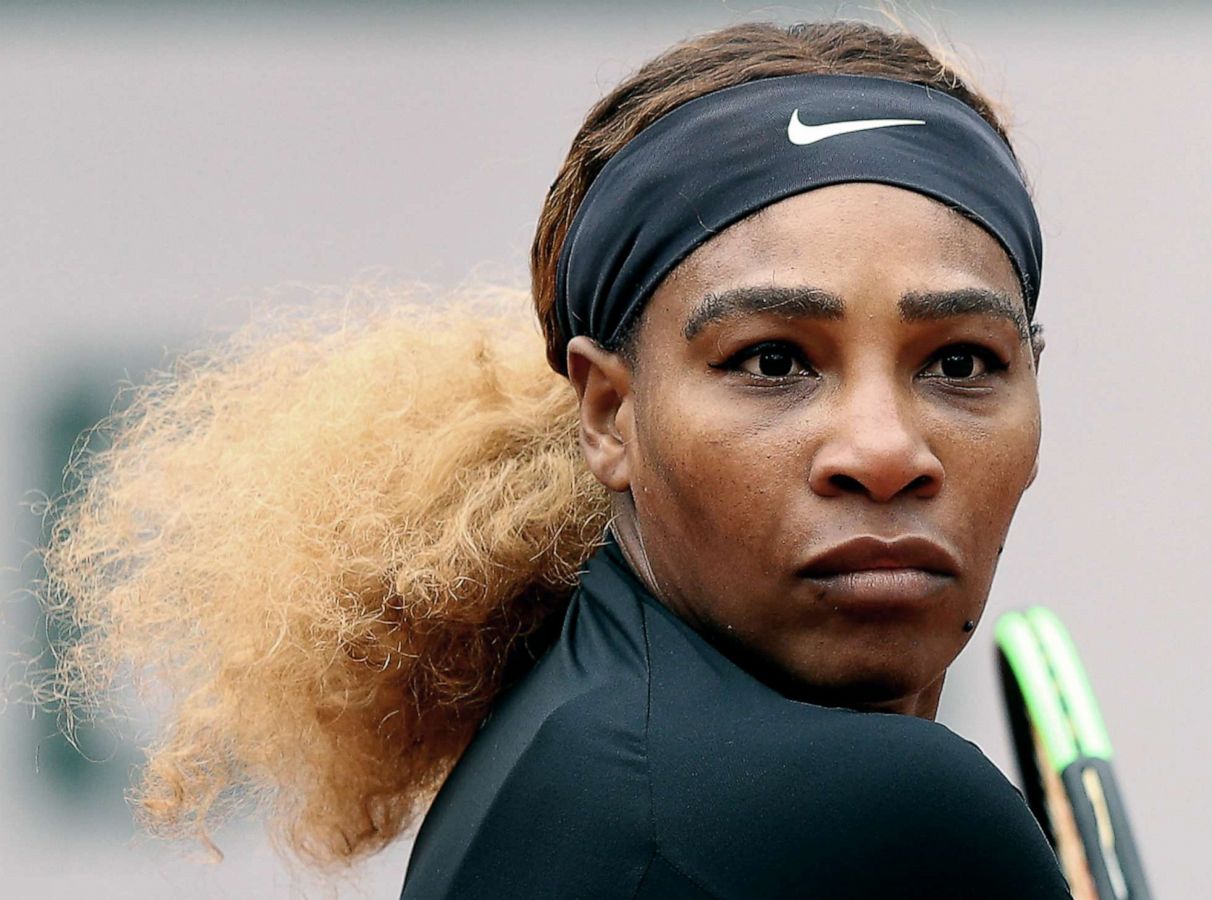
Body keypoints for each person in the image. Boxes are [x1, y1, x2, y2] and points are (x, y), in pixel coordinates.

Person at [36, 20, 1069, 899]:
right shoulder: (888, 817)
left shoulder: (567, 729)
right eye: (771, 361)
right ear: (610, 412)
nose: (884, 451)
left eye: (961, 362)